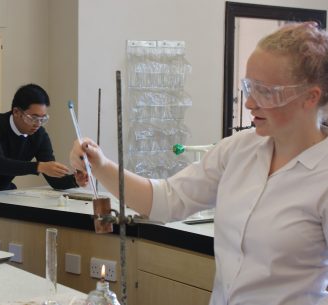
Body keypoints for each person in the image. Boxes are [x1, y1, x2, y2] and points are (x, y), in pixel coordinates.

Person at [70, 22, 328, 305]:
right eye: (249, 87)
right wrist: (101, 164)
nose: (250, 102)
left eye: (266, 91)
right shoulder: (239, 149)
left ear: (310, 97)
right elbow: (167, 199)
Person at [0, 83, 87, 191]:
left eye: (43, 119)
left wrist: (75, 180)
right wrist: (39, 167)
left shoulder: (39, 135)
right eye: (33, 118)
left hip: (3, 191)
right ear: (16, 112)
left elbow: (54, 180)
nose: (38, 124)